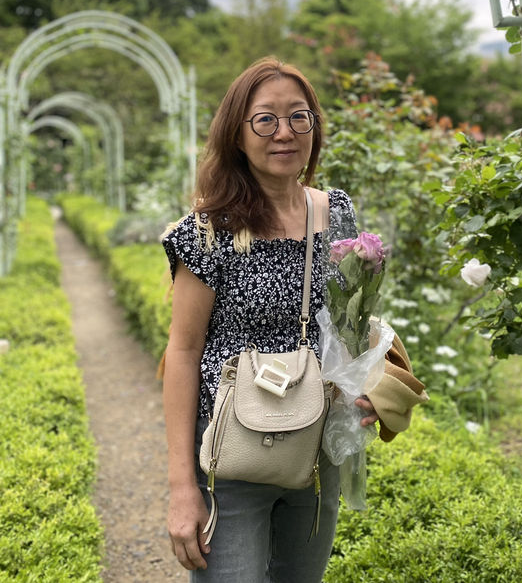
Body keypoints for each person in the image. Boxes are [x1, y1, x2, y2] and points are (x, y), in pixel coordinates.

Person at [161, 57, 379, 582]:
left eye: (298, 117)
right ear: (237, 133)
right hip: (230, 456)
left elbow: (349, 325)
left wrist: (366, 385)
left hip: (314, 449)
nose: (284, 133)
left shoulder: (337, 213)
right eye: (265, 119)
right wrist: (181, 488)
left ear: (314, 127)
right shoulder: (209, 231)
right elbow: (183, 352)